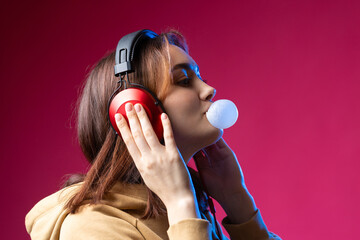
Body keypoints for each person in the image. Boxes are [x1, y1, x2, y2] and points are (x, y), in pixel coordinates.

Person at [25, 29, 281, 240]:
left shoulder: (194, 207)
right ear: (135, 109)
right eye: (183, 80)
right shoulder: (90, 227)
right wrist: (182, 206)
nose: (209, 90)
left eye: (199, 76)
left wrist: (237, 201)